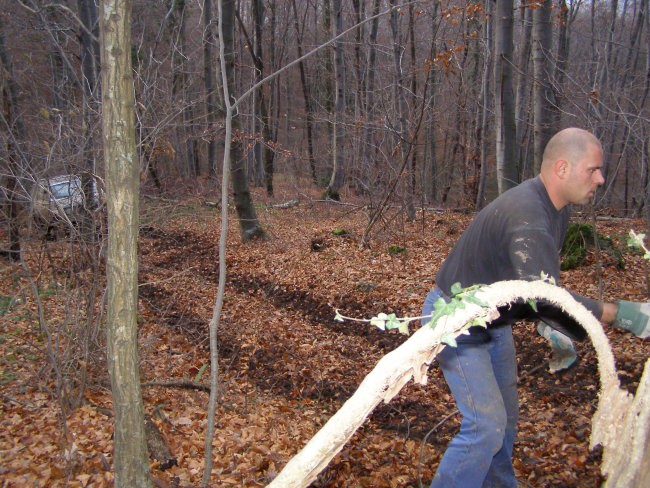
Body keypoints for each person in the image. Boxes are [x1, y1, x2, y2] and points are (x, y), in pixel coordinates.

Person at [422, 127, 649, 488]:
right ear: (562, 167)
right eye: (593, 170)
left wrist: (548, 323)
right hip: (454, 319)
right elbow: (546, 297)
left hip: (494, 321)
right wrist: (620, 313)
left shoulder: (554, 208)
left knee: (505, 423)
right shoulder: (529, 216)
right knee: (486, 425)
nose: (601, 179)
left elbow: (534, 288)